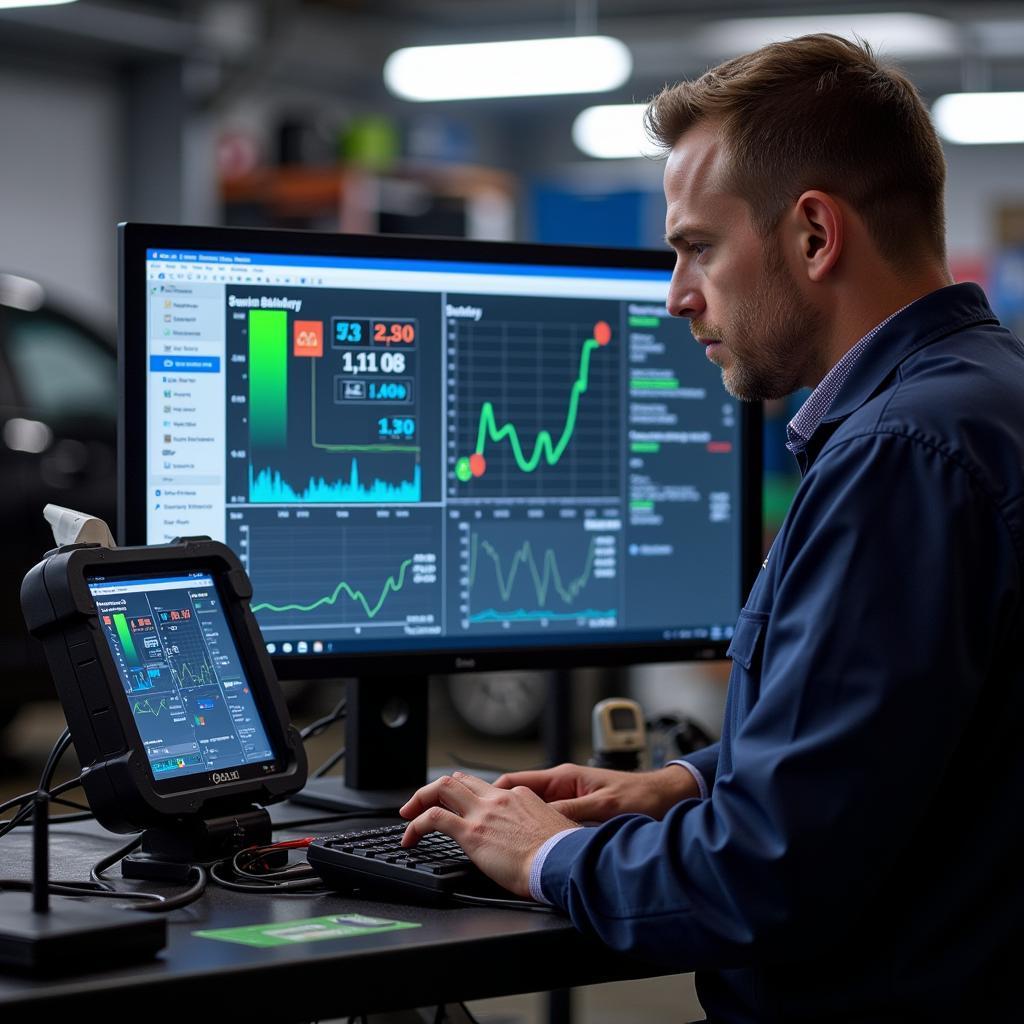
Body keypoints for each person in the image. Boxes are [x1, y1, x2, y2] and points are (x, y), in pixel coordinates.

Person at [400, 34, 1024, 1022]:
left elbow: (766, 878)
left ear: (814, 235)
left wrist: (547, 852)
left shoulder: (902, 456)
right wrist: (690, 782)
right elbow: (921, 751)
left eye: (696, 246)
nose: (675, 295)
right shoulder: (984, 402)